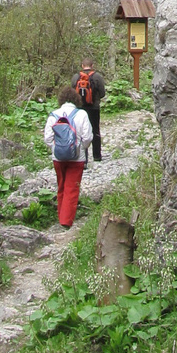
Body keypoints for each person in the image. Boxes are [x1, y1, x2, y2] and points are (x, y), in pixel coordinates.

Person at [44, 85, 93, 229]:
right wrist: (80, 148)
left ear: (61, 100)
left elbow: (47, 138)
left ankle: (61, 214)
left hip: (58, 158)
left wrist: (56, 148)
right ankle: (66, 221)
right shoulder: (82, 114)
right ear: (76, 99)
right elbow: (88, 137)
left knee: (61, 186)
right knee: (72, 188)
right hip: (76, 159)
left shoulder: (54, 115)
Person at [74, 59, 106, 163]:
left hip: (80, 108)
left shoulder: (76, 77)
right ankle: (97, 156)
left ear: (82, 65)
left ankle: (83, 158)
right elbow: (102, 93)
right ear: (92, 65)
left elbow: (72, 91)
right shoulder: (97, 77)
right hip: (94, 108)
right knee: (95, 130)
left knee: (81, 131)